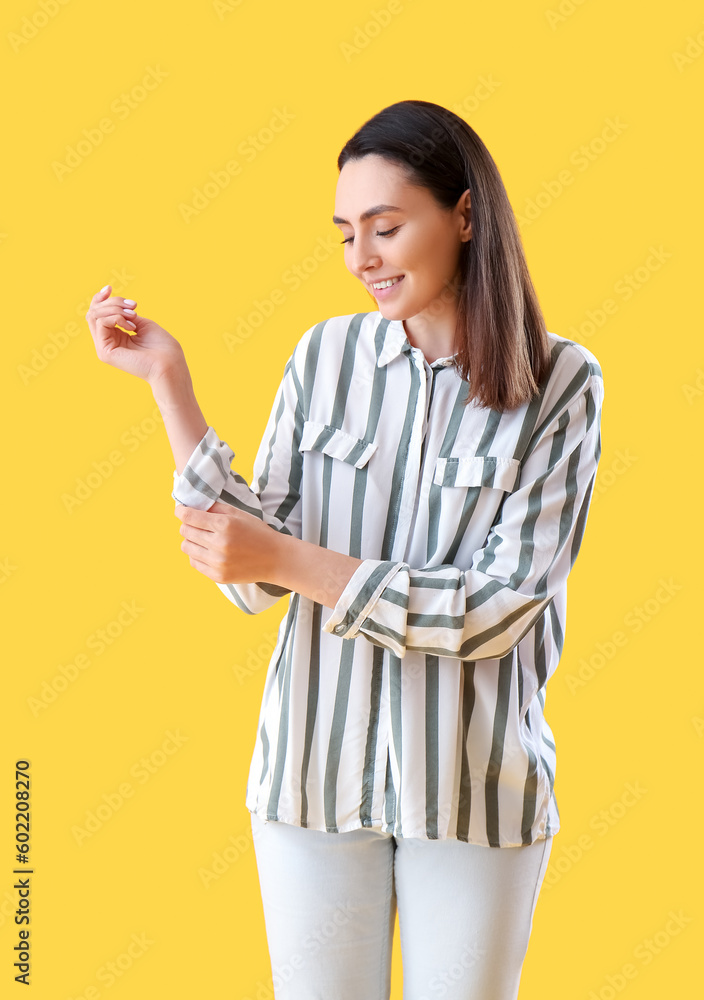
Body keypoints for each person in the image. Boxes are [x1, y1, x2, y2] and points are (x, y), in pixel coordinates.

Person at [85, 99, 604, 1000]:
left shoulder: (562, 385)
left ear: (466, 215)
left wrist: (288, 562)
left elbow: (497, 610)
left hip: (472, 794)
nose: (361, 259)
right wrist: (169, 384)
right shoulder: (324, 356)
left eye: (387, 227)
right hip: (310, 783)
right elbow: (248, 580)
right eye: (345, 234)